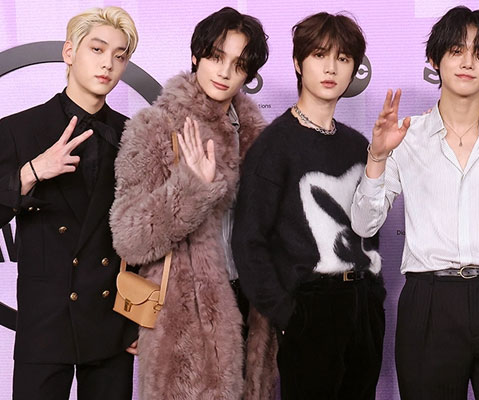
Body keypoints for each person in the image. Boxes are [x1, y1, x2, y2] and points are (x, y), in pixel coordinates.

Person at [351, 6, 479, 400]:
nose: (468, 62)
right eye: (456, 50)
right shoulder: (407, 137)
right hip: (429, 300)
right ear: (434, 59)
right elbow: (364, 224)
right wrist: (378, 157)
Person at [109, 7, 276, 399]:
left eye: (239, 64)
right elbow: (129, 236)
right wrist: (191, 188)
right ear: (196, 55)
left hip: (251, 313)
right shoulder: (156, 127)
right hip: (184, 325)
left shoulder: (259, 139)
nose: (225, 72)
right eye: (217, 57)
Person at [232, 12, 385, 400]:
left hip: (363, 305)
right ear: (299, 63)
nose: (331, 68)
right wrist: (288, 315)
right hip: (310, 309)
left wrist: (373, 298)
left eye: (343, 58)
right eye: (319, 55)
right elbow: (249, 241)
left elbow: (369, 230)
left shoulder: (358, 145)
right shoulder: (274, 145)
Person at [0, 7, 138, 400]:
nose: (107, 64)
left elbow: (148, 237)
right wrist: (31, 172)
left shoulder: (134, 135)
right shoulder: (17, 129)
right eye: (97, 49)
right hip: (43, 325)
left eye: (119, 55)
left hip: (111, 325)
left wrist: (139, 319)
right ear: (69, 52)